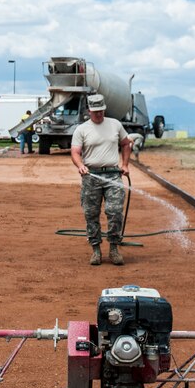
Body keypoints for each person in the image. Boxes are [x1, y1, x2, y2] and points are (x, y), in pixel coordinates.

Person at [70, 94, 132, 266]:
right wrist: (80, 165)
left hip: (113, 175)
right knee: (91, 214)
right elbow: (75, 152)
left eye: (101, 111)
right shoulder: (81, 129)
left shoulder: (115, 125)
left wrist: (125, 164)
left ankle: (113, 248)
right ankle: (96, 249)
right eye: (95, 111)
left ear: (104, 109)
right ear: (89, 111)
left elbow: (126, 143)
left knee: (115, 211)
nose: (98, 114)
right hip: (91, 176)